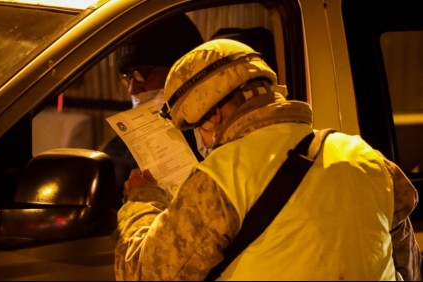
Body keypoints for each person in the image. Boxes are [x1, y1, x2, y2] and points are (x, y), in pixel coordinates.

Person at [114, 39, 421, 280]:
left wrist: (142, 202)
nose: (202, 140)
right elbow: (406, 263)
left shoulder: (223, 175)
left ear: (215, 114)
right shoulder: (367, 158)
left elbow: (145, 273)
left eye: (196, 130)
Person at [102, 14, 205, 206]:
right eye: (128, 76)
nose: (132, 89)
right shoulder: (120, 148)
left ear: (181, 73)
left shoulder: (209, 140)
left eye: (142, 74)